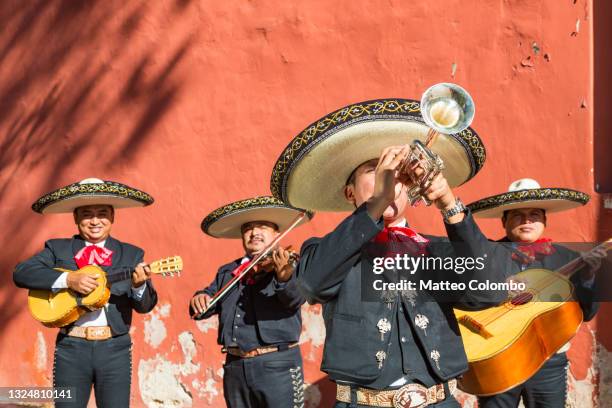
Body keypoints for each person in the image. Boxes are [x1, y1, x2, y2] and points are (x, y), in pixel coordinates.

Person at [269, 98, 508, 407]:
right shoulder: (327, 250)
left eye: (399, 173)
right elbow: (311, 283)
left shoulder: (435, 250)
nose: (392, 178)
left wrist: (450, 204)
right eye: (376, 170)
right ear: (350, 193)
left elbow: (489, 291)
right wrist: (377, 203)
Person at [13, 178, 158, 408]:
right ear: (75, 218)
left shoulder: (131, 255)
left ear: (112, 217)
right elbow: (22, 273)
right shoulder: (57, 248)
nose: (94, 221)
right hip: (71, 347)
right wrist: (68, 279)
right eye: (86, 214)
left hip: (115, 350)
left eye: (102, 213)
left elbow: (145, 306)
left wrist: (140, 286)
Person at [468, 178, 606, 408]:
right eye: (517, 215)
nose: (527, 221)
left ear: (544, 221)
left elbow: (588, 313)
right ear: (504, 221)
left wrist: (589, 276)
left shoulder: (568, 258)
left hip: (548, 363)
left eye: (534, 214)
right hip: (500, 358)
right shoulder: (487, 256)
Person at [190, 196, 313, 408]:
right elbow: (206, 304)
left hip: (277, 366)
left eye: (262, 227)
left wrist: (283, 277)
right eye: (248, 229)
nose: (254, 233)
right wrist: (199, 298)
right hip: (235, 367)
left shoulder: (289, 264)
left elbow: (294, 299)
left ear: (276, 233)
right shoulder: (228, 271)